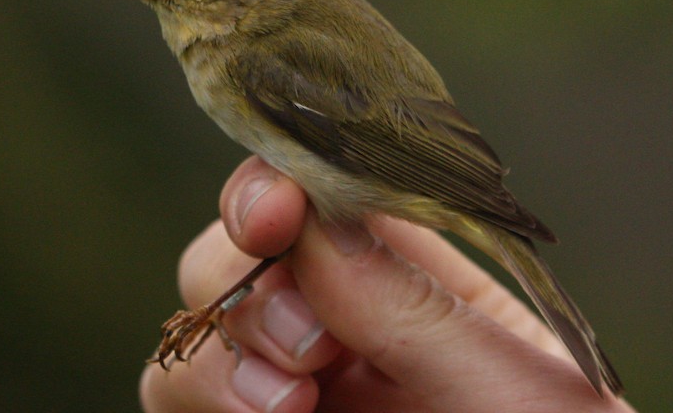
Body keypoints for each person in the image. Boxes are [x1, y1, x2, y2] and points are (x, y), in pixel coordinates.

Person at [140, 156, 637, 413]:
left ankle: (223, 304)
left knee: (293, 230)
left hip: (410, 174)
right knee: (289, 231)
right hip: (427, 172)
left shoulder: (252, 53)